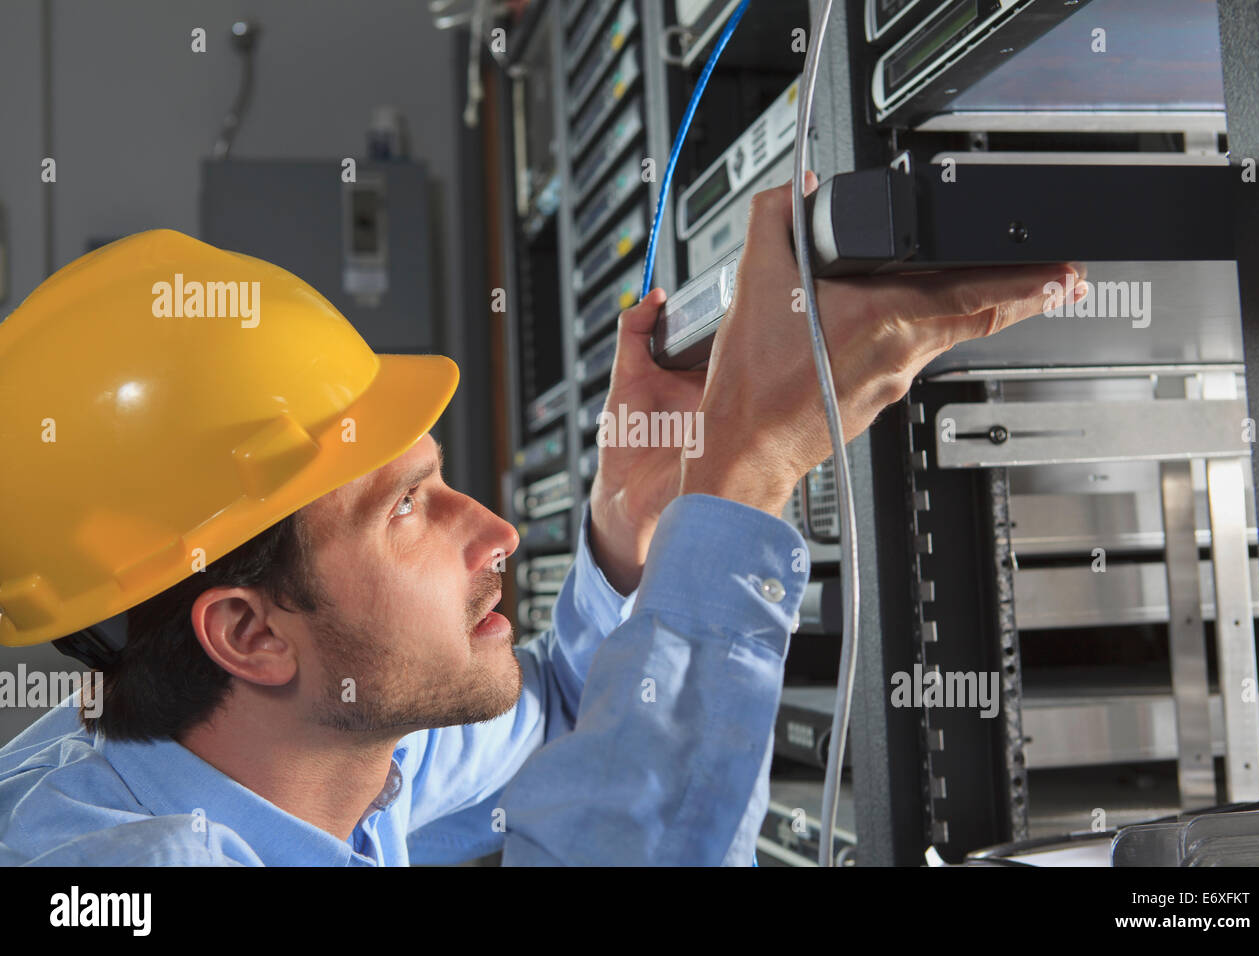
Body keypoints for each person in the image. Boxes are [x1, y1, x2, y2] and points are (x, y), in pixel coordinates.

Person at [0, 174, 1080, 865]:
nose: (497, 530)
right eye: (409, 508)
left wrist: (631, 517)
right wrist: (744, 471)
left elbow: (552, 735)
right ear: (248, 632)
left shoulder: (279, 749)